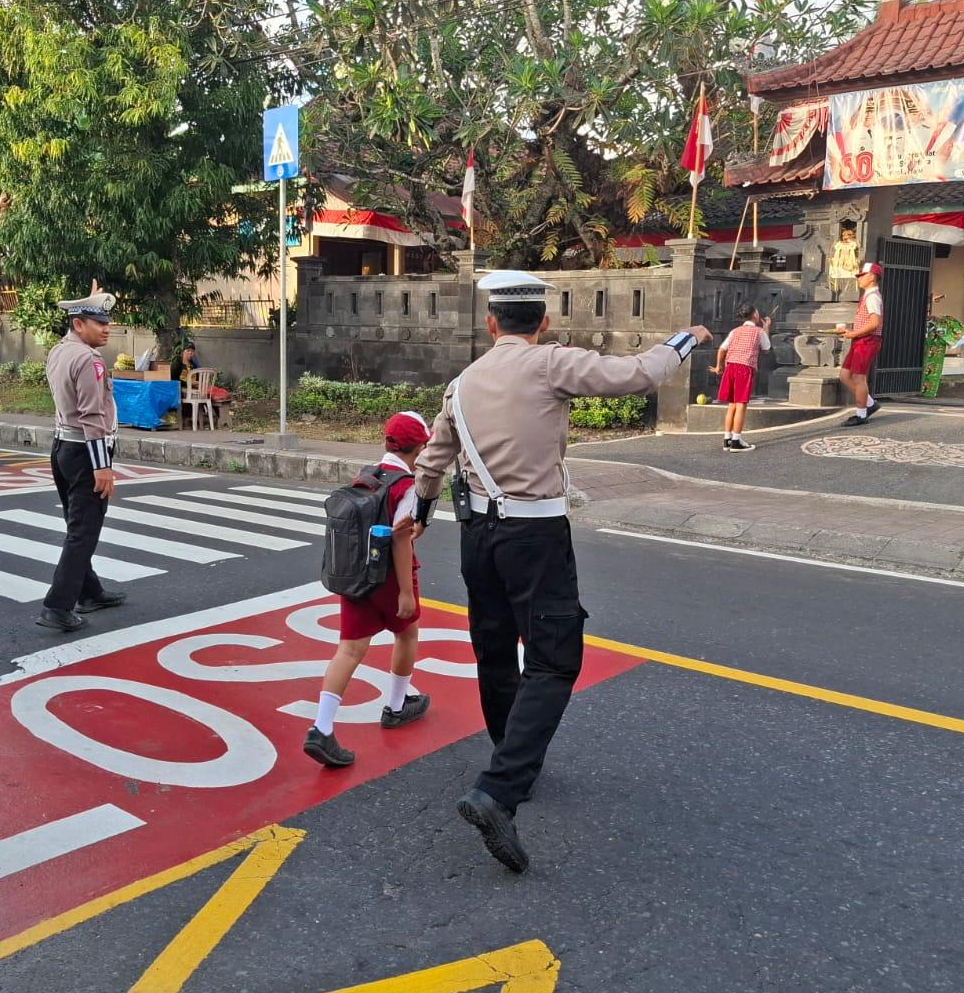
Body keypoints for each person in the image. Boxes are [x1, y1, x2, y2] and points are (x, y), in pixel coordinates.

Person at [412, 270, 712, 873]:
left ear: (493, 323)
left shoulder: (462, 382)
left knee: (494, 650)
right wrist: (686, 338)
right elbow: (635, 375)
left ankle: (509, 751)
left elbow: (436, 456)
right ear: (542, 323)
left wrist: (420, 505)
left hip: (477, 536)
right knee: (553, 658)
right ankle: (499, 789)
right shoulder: (550, 363)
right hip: (535, 536)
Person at [304, 411, 434, 768]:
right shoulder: (406, 487)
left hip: (356, 575)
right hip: (389, 578)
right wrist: (406, 594)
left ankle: (322, 727)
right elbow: (401, 541)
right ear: (420, 446)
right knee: (407, 633)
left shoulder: (367, 475)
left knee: (349, 649)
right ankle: (395, 706)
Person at [38, 291, 125, 633]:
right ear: (78, 323)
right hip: (86, 453)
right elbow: (91, 415)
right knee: (84, 533)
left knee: (77, 527)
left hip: (62, 449)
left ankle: (89, 591)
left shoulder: (60, 351)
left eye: (107, 322)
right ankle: (57, 606)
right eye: (100, 323)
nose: (107, 329)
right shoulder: (90, 360)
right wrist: (102, 466)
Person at [710, 303, 771, 452]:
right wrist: (767, 328)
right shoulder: (759, 332)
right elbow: (766, 349)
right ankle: (736, 440)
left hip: (730, 367)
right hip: (744, 368)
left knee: (732, 404)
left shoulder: (734, 331)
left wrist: (719, 366)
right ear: (755, 315)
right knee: (741, 404)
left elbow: (722, 349)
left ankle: (727, 439)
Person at [835, 261, 884, 426]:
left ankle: (862, 414)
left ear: (871, 277)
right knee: (844, 375)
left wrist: (853, 333)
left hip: (867, 341)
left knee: (858, 378)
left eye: (862, 275)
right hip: (860, 339)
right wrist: (851, 332)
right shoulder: (868, 296)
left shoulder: (872, 297)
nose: (859, 279)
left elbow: (875, 322)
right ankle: (869, 403)